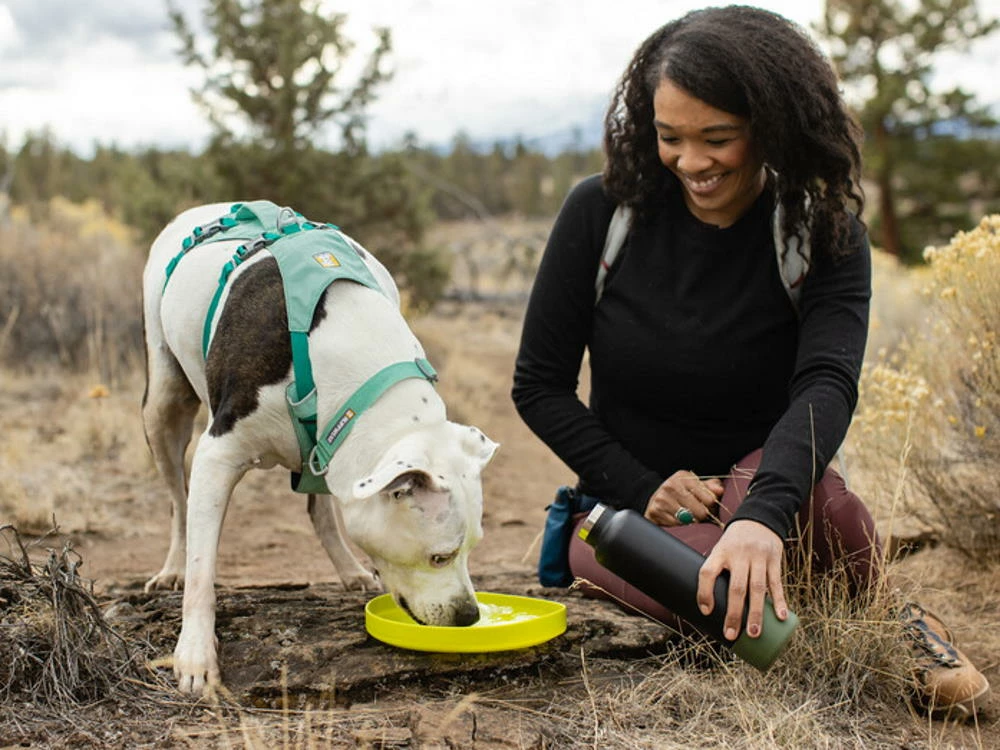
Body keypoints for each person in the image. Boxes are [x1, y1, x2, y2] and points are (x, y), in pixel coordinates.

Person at [511, 5, 989, 717]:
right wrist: (642, 486)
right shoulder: (600, 214)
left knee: (824, 505)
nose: (691, 163)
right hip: (629, 514)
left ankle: (890, 621)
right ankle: (806, 617)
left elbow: (827, 384)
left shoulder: (819, 230)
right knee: (703, 583)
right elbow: (538, 385)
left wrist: (761, 515)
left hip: (769, 485)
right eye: (670, 138)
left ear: (770, 125)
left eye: (718, 138)